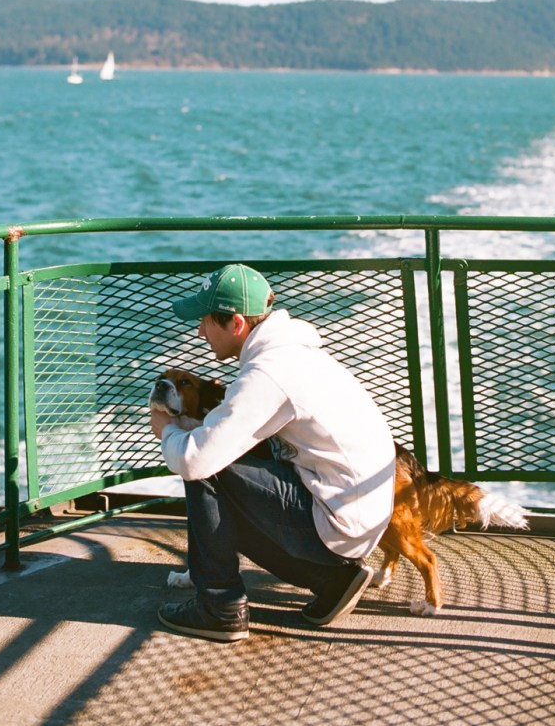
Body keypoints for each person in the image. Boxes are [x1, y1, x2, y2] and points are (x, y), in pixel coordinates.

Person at [150, 262, 396, 642]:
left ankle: (219, 606)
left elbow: (195, 460)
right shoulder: (295, 355)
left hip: (339, 520)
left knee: (205, 463)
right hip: (356, 517)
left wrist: (166, 429)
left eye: (205, 322)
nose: (199, 332)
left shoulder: (269, 372)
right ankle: (333, 579)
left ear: (236, 324)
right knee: (217, 455)